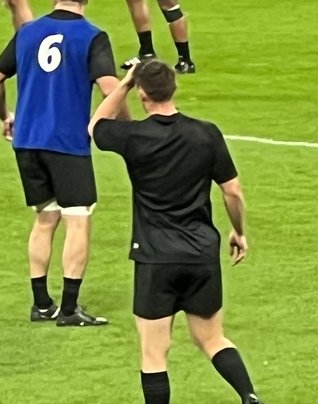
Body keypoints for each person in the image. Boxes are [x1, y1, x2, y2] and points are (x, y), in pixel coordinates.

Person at [90, 60, 263, 404]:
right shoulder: (206, 133)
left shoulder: (135, 137)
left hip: (155, 256)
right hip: (201, 253)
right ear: (174, 89)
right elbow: (232, 191)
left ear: (143, 94)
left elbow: (96, 125)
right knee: (212, 339)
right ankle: (249, 396)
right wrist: (239, 232)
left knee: (154, 353)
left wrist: (123, 82)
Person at [0, 0, 120, 326]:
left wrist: (5, 116)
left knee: (45, 219)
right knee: (79, 219)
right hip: (66, 142)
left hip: (27, 140)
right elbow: (110, 88)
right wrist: (127, 128)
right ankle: (71, 308)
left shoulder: (27, 32)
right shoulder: (92, 36)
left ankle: (41, 303)